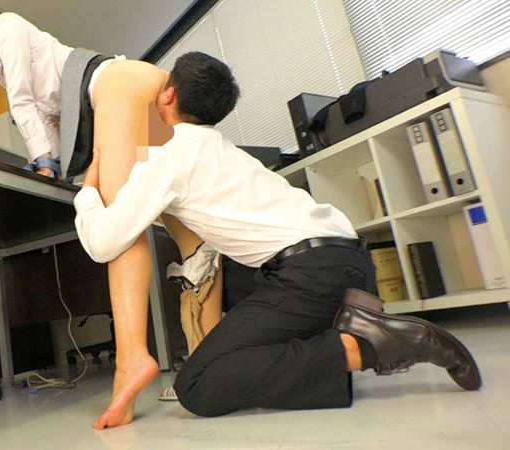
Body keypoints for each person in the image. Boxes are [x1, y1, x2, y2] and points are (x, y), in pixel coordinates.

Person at [75, 51, 481, 420]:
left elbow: (104, 243)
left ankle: (373, 345)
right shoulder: (224, 150)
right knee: (241, 309)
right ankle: (349, 336)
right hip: (352, 266)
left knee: (196, 385)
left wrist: (89, 192)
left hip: (310, 276)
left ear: (168, 95)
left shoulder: (166, 156)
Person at [0, 1, 219, 429]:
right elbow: (51, 116)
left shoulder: (6, 26)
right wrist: (53, 159)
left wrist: (44, 162)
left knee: (121, 223)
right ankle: (211, 361)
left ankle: (132, 360)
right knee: (186, 229)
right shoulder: (6, 56)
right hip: (144, 86)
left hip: (118, 88)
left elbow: (24, 103)